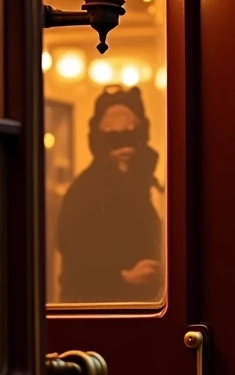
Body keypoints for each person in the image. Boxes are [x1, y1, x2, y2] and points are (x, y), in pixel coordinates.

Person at [56, 84, 163, 303]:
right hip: (101, 317)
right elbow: (73, 263)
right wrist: (122, 278)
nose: (122, 142)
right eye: (111, 132)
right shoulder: (84, 191)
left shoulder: (141, 184)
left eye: (131, 129)